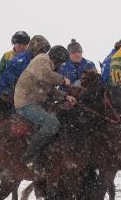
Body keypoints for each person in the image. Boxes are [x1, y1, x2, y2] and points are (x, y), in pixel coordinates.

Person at [14, 45, 77, 173]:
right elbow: (46, 75)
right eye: (61, 63)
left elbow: (50, 90)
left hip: (34, 103)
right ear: (57, 59)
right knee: (52, 124)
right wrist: (63, 80)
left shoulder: (45, 65)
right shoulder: (42, 59)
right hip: (26, 103)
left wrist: (66, 96)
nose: (60, 66)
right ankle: (29, 157)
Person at [0, 35, 51, 104]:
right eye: (19, 44)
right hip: (11, 96)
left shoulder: (35, 60)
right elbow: (3, 77)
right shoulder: (20, 60)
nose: (21, 47)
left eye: (24, 44)